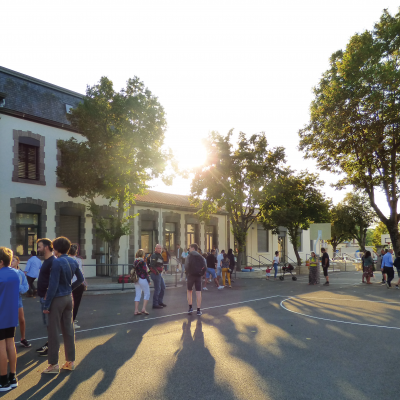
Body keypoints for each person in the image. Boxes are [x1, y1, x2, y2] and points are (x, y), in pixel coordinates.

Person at [42, 236, 84, 374]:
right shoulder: (73, 260)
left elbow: (53, 285)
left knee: (53, 332)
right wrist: (70, 288)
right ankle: (70, 362)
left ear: (56, 249)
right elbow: (81, 279)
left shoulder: (57, 262)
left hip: (58, 298)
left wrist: (47, 305)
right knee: (68, 329)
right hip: (68, 297)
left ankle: (53, 364)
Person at [0, 247, 19, 391]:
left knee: (1, 347)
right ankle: (13, 377)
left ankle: (3, 380)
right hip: (11, 315)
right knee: (10, 344)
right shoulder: (16, 273)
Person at [35, 238, 55, 357]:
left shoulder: (52, 261)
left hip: (47, 298)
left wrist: (48, 294)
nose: (38, 249)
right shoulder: (47, 261)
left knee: (50, 324)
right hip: (43, 296)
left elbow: (53, 280)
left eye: (39, 246)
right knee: (48, 325)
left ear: (46, 247)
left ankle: (51, 348)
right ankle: (49, 344)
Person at [10, 256, 30, 348]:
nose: (11, 262)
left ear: (18, 262)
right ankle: (8, 341)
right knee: (9, 321)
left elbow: (25, 287)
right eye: (10, 260)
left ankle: (23, 339)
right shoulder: (4, 272)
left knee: (21, 320)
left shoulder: (21, 274)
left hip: (17, 298)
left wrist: (17, 286)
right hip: (6, 299)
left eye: (13, 260)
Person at [185, 243, 206, 316]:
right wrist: (201, 274)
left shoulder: (189, 256)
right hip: (198, 276)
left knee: (189, 291)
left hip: (190, 275)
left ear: (193, 248)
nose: (189, 249)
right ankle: (198, 310)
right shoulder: (201, 257)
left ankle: (190, 308)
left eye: (190, 248)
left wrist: (187, 273)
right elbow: (204, 266)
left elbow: (186, 266)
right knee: (198, 292)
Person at [69, 245, 85, 329]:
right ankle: (72, 320)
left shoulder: (66, 260)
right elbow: (81, 272)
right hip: (77, 283)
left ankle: (68, 320)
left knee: (69, 303)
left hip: (69, 283)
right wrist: (84, 282)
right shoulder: (78, 260)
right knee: (76, 303)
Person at [149, 244, 167, 309]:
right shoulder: (154, 255)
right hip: (155, 274)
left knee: (163, 287)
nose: (159, 249)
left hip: (159, 274)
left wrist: (163, 269)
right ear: (155, 248)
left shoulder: (159, 255)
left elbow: (160, 264)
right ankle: (155, 304)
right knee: (158, 288)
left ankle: (160, 302)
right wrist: (157, 271)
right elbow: (152, 265)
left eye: (160, 248)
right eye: (158, 248)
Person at [133, 249, 150, 315]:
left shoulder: (135, 261)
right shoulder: (142, 262)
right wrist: (148, 280)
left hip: (136, 279)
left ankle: (136, 310)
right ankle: (143, 309)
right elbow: (145, 272)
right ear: (143, 255)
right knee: (147, 293)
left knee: (138, 294)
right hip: (143, 278)